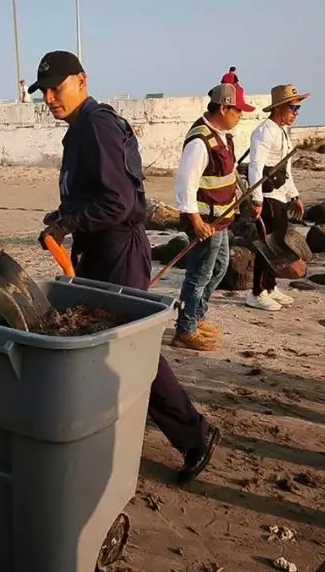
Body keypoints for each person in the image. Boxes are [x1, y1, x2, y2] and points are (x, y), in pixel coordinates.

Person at [31, 50, 221, 484]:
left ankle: (195, 436)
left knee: (131, 350)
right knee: (103, 344)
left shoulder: (96, 126)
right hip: (98, 249)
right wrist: (62, 220)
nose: (49, 97)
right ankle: (109, 428)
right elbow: (97, 194)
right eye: (43, 91)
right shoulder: (81, 129)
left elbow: (119, 202)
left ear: (81, 80)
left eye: (56, 88)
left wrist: (68, 223)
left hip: (117, 250)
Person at [172, 83, 253, 350]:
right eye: (238, 110)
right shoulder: (201, 140)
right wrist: (196, 222)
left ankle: (196, 316)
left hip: (221, 220)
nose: (241, 115)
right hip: (205, 223)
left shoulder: (223, 136)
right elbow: (187, 182)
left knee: (218, 268)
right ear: (223, 107)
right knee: (199, 275)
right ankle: (185, 329)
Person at [245, 84, 309, 311]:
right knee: (267, 244)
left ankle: (270, 287)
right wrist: (257, 199)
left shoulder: (282, 132)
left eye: (297, 108)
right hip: (268, 195)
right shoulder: (264, 131)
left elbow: (286, 169)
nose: (296, 113)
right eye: (293, 108)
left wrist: (294, 195)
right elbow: (256, 166)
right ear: (280, 108)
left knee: (279, 242)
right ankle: (257, 291)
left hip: (281, 195)